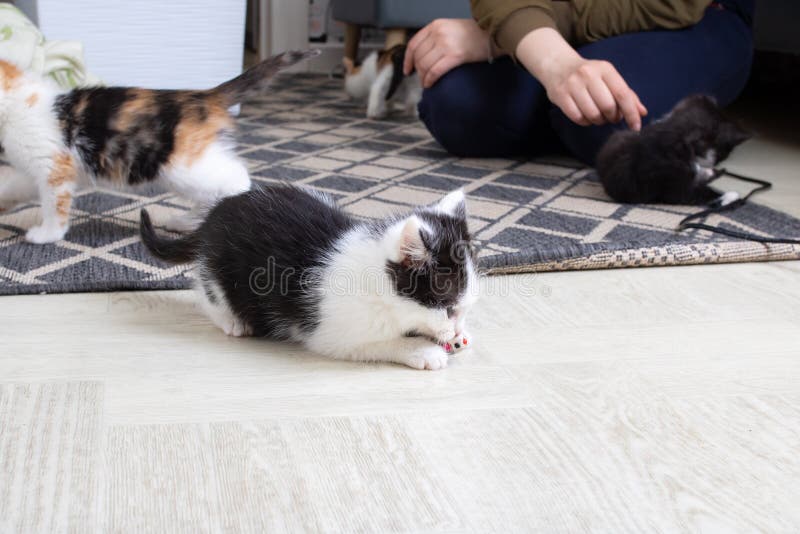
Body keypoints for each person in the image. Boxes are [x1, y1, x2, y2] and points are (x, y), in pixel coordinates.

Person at [404, 0, 755, 164]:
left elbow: (671, 4)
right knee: (455, 105)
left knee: (608, 119)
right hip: (564, 20)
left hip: (694, 15)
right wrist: (551, 56)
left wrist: (503, 36)